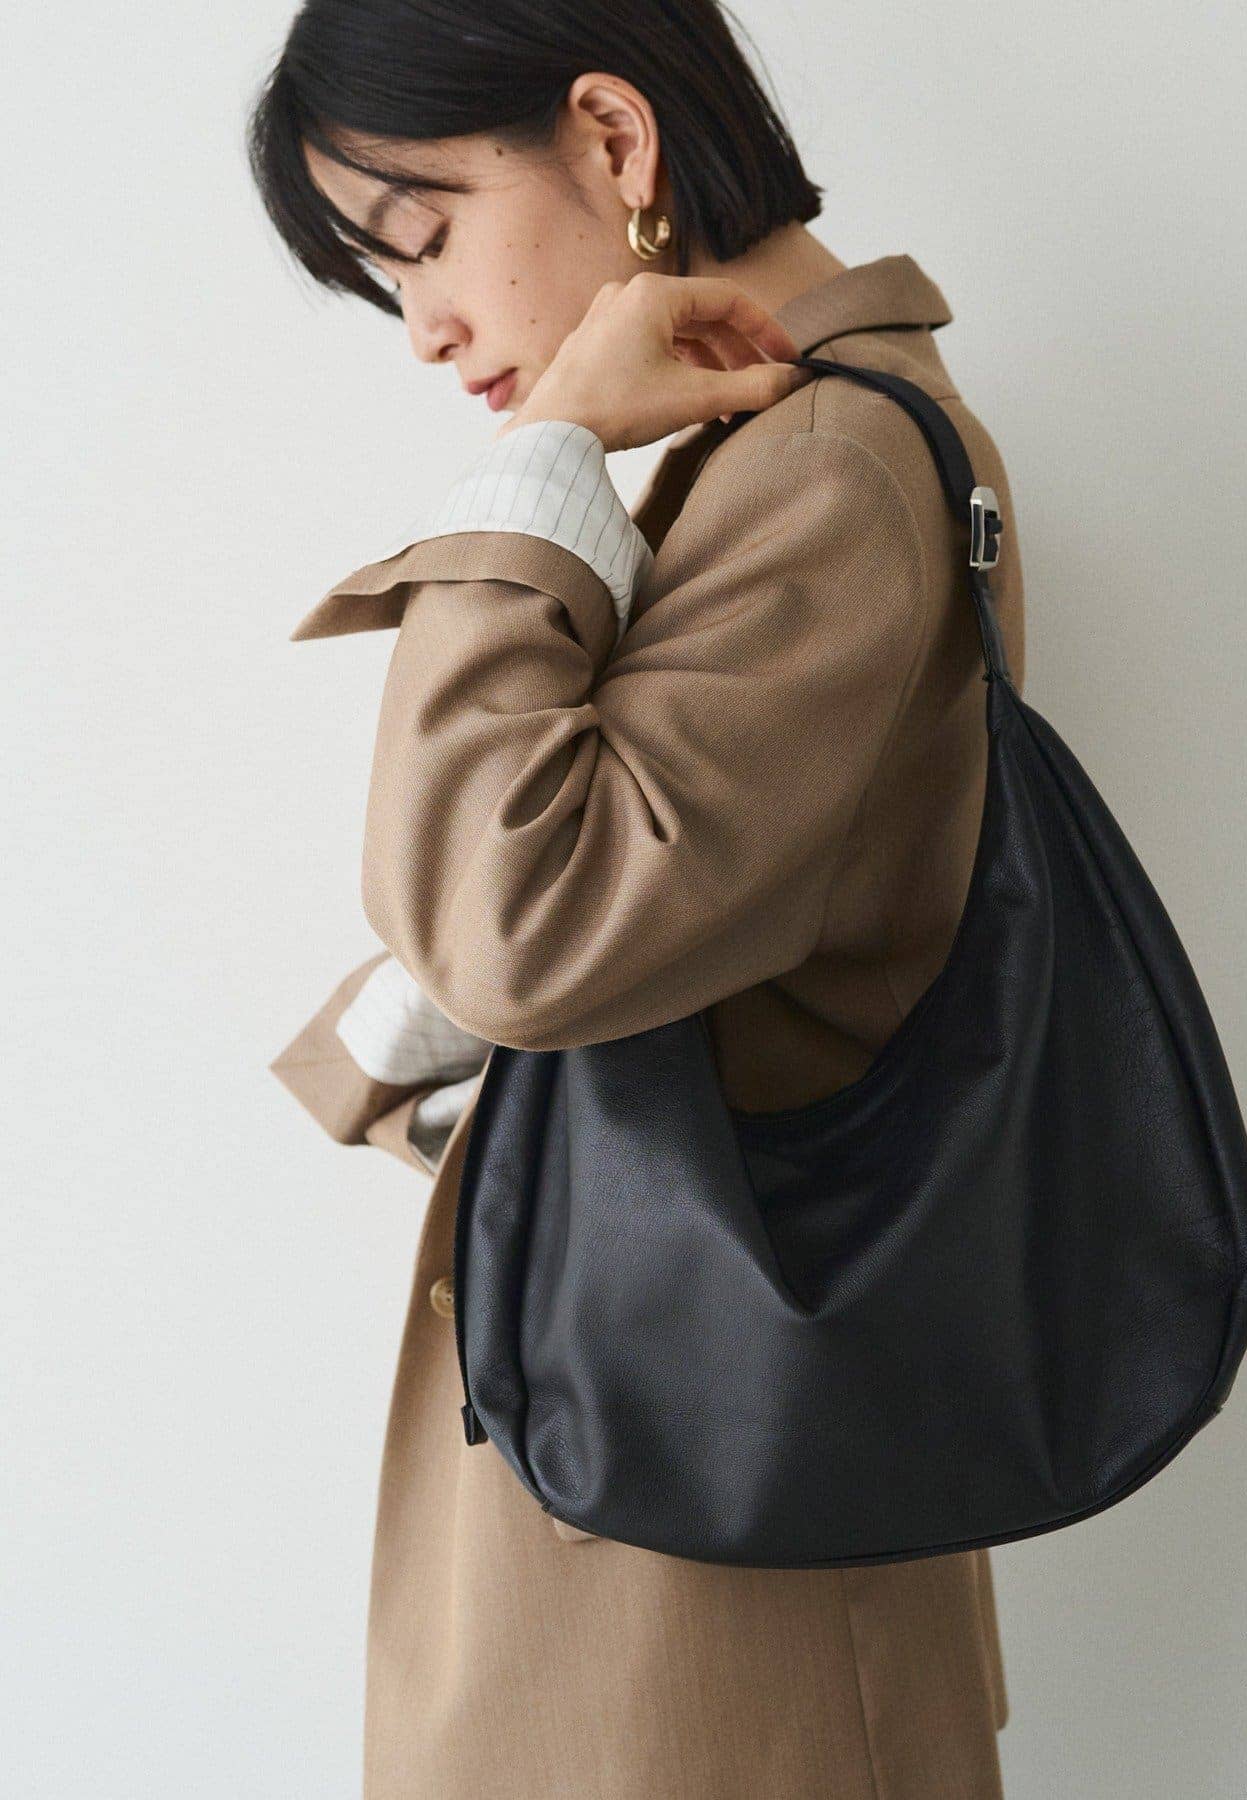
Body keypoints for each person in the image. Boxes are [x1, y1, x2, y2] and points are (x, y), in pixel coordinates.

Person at [249, 2, 1025, 1793]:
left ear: (613, 138)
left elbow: (516, 926)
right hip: (685, 1476)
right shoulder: (780, 451)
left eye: (424, 238)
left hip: (710, 1562)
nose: (425, 326)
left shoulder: (825, 463)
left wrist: (541, 463)